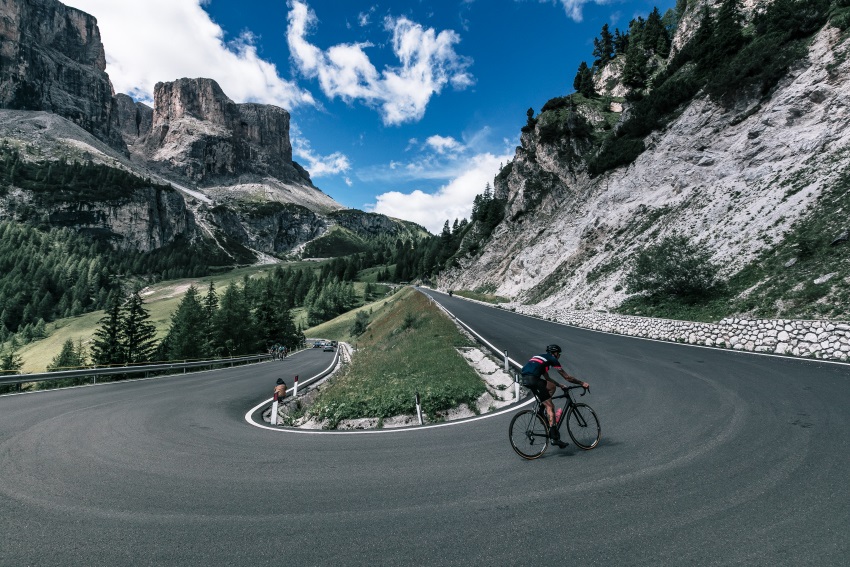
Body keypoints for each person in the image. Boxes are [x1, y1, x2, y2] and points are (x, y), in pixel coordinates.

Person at [520, 344, 589, 448]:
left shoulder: (542, 358)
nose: (559, 356)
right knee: (551, 407)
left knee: (552, 387)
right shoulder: (552, 359)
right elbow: (567, 377)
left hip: (525, 378)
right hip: (534, 379)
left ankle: (542, 408)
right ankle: (554, 438)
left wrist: (559, 385)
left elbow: (547, 378)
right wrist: (582, 383)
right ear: (555, 353)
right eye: (559, 354)